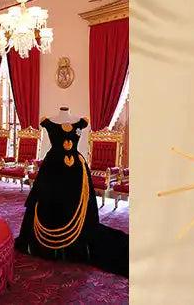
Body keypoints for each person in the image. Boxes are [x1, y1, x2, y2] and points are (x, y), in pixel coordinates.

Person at [15, 108, 128, 277]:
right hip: (53, 168)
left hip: (76, 171)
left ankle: (76, 243)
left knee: (74, 204)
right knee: (50, 203)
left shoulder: (81, 121)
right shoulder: (47, 122)